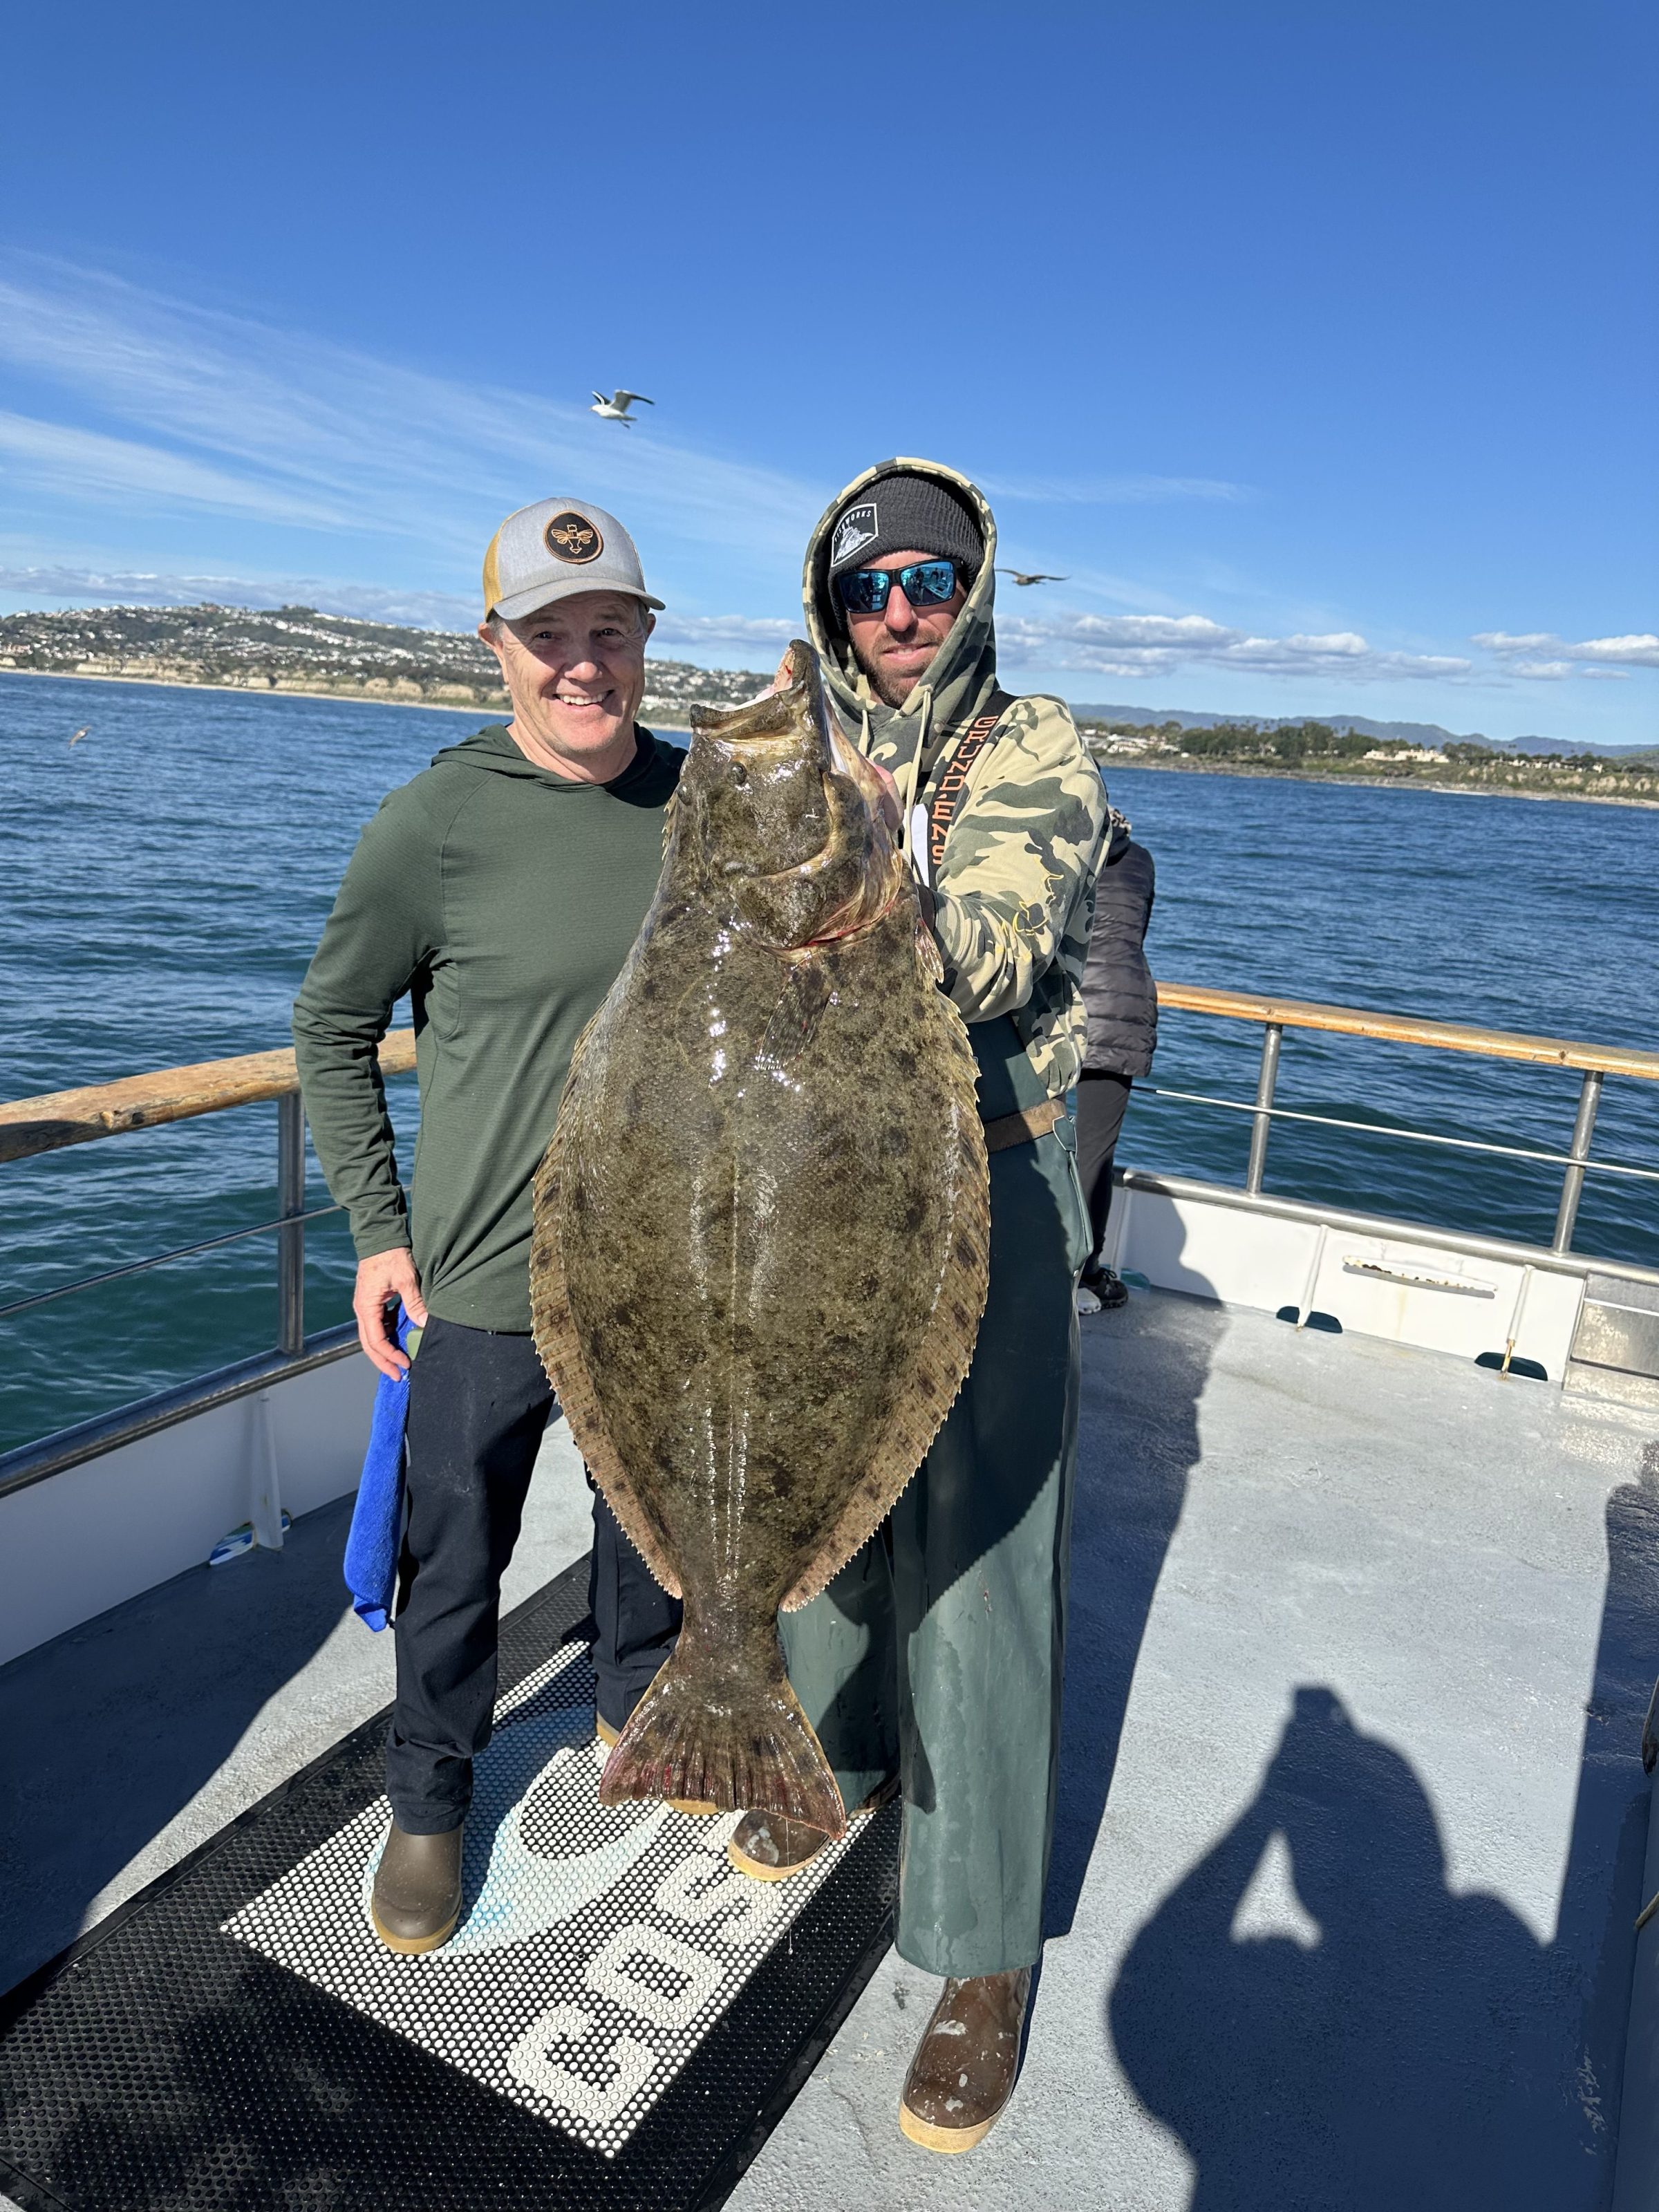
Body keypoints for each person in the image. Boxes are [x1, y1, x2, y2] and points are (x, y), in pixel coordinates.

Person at [737, 461, 1105, 2150]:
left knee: (973, 1548)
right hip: (806, 1176)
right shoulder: (770, 736)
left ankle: (973, 1952)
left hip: (988, 1177)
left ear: (972, 598)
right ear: (830, 596)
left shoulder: (1028, 749)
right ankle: (836, 1748)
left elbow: (1004, 950)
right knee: (823, 1488)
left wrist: (844, 893)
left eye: (930, 585)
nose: (899, 614)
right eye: (870, 584)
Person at [292, 497, 684, 1956]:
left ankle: (638, 1715)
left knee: (654, 1529)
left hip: (663, 1276)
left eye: (609, 632)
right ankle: (429, 1802)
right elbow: (332, 1026)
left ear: (645, 641)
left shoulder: (703, 808)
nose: (582, 665)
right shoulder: (436, 821)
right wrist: (378, 1231)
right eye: (549, 637)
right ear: (496, 649)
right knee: (451, 1557)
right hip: (481, 1277)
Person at [1075, 806, 1157, 1311]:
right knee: (1095, 1153)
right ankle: (1086, 1272)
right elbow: (1135, 930)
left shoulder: (1060, 850)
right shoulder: (1142, 859)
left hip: (1065, 1009)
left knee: (1018, 1135)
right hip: (1124, 1007)